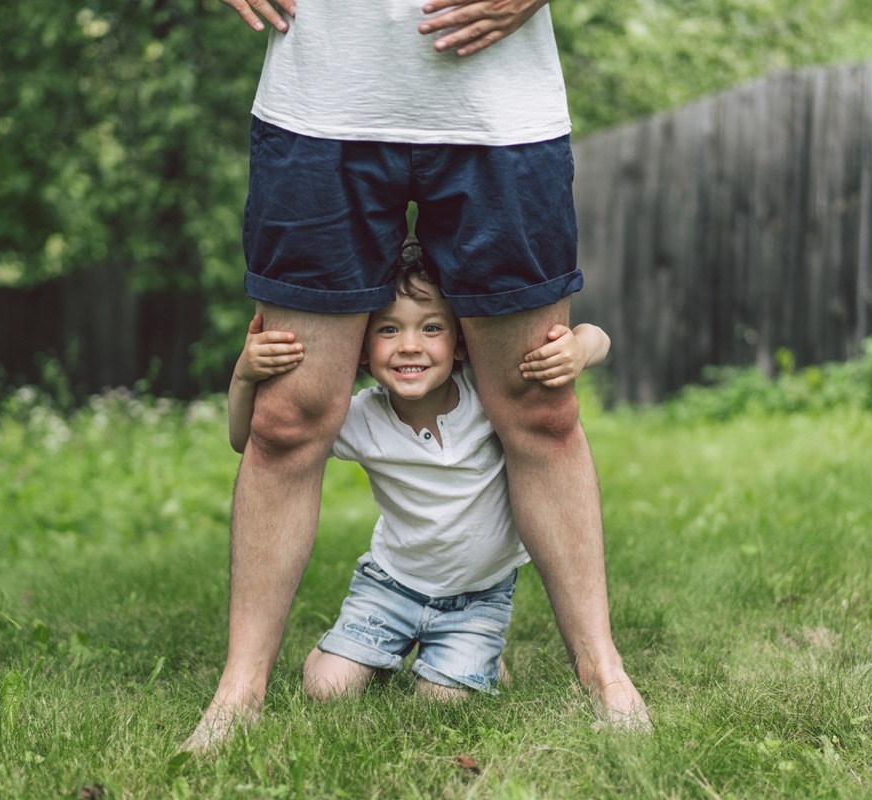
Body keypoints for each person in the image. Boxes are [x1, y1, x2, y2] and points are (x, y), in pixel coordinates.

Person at [182, 0, 651, 751]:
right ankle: (239, 691)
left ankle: (603, 673)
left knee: (540, 410)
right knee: (286, 419)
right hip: (320, 106)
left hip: (499, 112)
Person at [225, 244, 614, 703]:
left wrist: (580, 348)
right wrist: (244, 376)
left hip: (476, 598)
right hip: (389, 588)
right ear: (361, 349)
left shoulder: (489, 402)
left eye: (431, 328)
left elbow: (598, 337)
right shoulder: (361, 417)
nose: (410, 345)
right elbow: (246, 442)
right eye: (389, 329)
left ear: (461, 342)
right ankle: (366, 652)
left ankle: (475, 655)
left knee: (442, 701)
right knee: (325, 690)